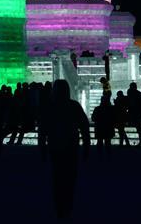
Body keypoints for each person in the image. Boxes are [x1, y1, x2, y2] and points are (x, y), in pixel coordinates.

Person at [45, 79, 89, 219]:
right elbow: (84, 128)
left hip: (55, 148)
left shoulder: (50, 107)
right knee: (69, 180)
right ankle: (67, 207)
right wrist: (86, 146)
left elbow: (42, 130)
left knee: (57, 180)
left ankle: (60, 208)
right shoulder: (74, 106)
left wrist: (42, 148)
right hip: (71, 148)